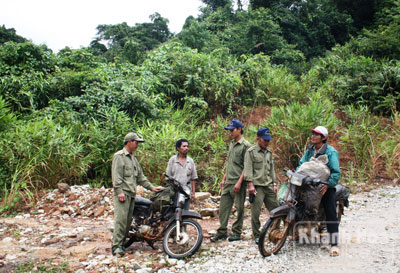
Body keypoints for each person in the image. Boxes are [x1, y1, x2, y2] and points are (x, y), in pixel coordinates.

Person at [111, 132, 163, 257]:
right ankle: (116, 247)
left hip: (131, 194)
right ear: (129, 142)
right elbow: (116, 177)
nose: (137, 145)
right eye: (136, 142)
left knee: (127, 221)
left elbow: (140, 177)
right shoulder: (119, 156)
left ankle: (122, 245)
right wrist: (119, 192)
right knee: (121, 221)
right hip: (123, 194)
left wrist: (152, 187)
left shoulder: (133, 159)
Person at [298, 126, 340, 256]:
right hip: (310, 184)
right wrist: (299, 173)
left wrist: (328, 184)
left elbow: (335, 172)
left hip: (324, 186)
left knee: (330, 211)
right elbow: (302, 163)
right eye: (313, 134)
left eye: (317, 134)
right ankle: (299, 230)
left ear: (324, 138)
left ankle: (334, 244)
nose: (313, 136)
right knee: (297, 202)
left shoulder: (331, 152)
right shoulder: (310, 150)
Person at [211, 120, 251, 242]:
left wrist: (239, 182)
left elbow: (247, 166)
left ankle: (237, 232)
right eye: (229, 130)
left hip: (238, 181)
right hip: (228, 181)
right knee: (223, 207)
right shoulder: (232, 144)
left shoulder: (246, 146)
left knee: (239, 208)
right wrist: (223, 178)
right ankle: (222, 231)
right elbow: (229, 164)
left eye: (232, 130)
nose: (230, 133)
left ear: (239, 129)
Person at [244, 128, 279, 245]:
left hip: (268, 185)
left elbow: (272, 169)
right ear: (258, 139)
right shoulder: (251, 152)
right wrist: (250, 185)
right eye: (265, 140)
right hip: (257, 187)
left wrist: (274, 183)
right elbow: (248, 169)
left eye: (268, 140)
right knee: (255, 212)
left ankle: (275, 231)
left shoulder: (269, 153)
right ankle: (257, 235)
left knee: (276, 209)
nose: (267, 142)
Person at [166, 138, 198, 210]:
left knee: (185, 212)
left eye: (187, 146)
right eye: (184, 146)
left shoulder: (190, 161)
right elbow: (168, 177)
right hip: (174, 192)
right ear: (178, 148)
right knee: (174, 213)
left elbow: (193, 178)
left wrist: (193, 193)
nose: (186, 148)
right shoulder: (173, 160)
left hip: (186, 192)